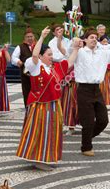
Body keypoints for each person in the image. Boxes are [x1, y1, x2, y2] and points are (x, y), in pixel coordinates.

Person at [16, 27, 79, 169]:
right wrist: (42, 38)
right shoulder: (36, 66)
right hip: (40, 106)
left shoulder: (53, 69)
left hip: (53, 105)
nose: (51, 57)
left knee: (50, 132)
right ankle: (37, 159)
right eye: (49, 54)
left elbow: (69, 63)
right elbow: (34, 55)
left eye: (52, 54)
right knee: (40, 131)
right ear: (41, 56)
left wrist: (76, 49)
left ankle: (44, 157)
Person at [74, 29, 110, 156]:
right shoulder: (80, 52)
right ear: (85, 40)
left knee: (103, 120)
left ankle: (87, 137)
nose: (94, 39)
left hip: (96, 90)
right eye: (91, 37)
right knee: (88, 121)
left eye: (95, 37)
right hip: (83, 89)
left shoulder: (102, 54)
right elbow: (68, 52)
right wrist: (74, 44)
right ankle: (86, 147)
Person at [11, 28, 36, 106]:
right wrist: (18, 61)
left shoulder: (38, 46)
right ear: (24, 38)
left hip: (37, 72)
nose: (29, 38)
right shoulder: (20, 47)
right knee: (27, 91)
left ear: (34, 37)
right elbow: (13, 57)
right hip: (25, 74)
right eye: (27, 37)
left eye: (31, 36)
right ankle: (28, 108)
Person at [98, 36, 110, 106]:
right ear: (100, 42)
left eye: (106, 41)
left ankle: (108, 101)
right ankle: (102, 101)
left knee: (109, 87)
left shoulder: (109, 50)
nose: (105, 43)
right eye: (104, 41)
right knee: (101, 87)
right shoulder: (98, 50)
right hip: (101, 72)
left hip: (108, 72)